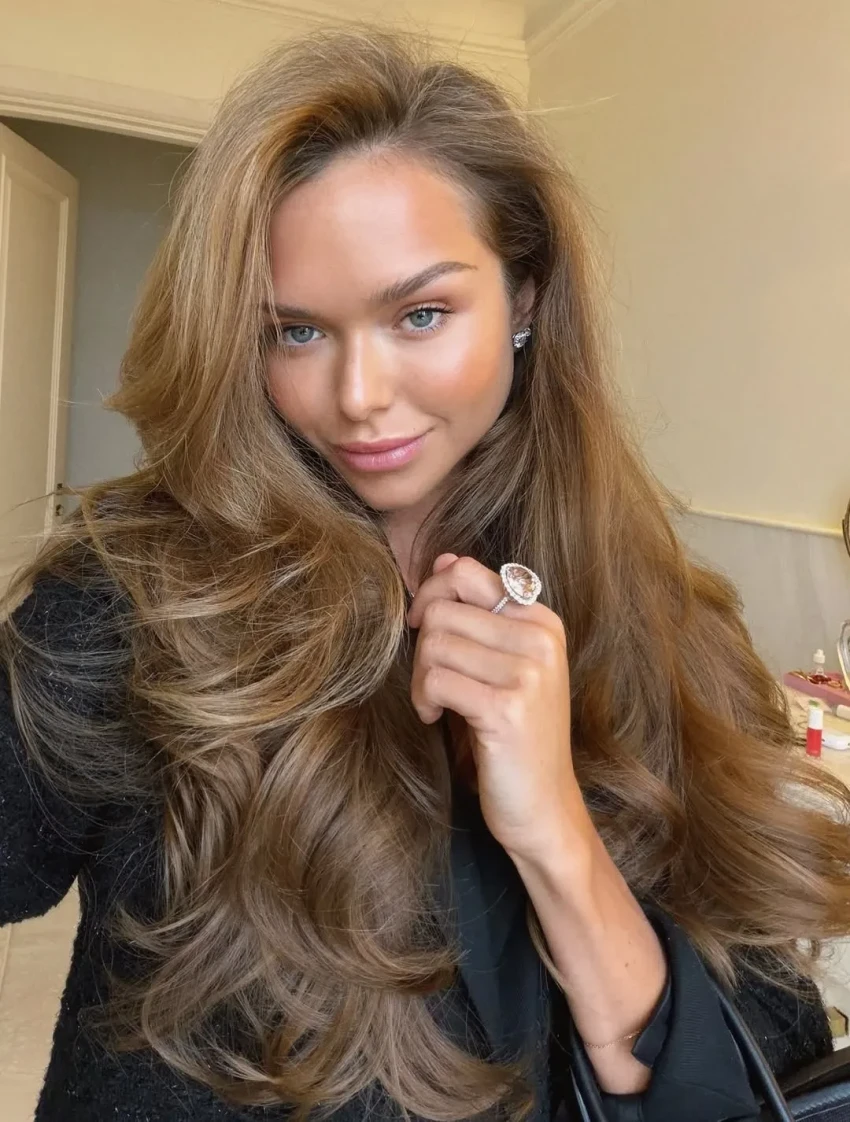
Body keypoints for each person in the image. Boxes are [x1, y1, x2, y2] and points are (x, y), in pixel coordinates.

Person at [1, 26, 848, 1122]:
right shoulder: (134, 603)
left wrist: (556, 835)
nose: (359, 395)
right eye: (296, 332)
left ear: (526, 297)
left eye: (420, 314)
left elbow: (753, 1066)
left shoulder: (666, 624)